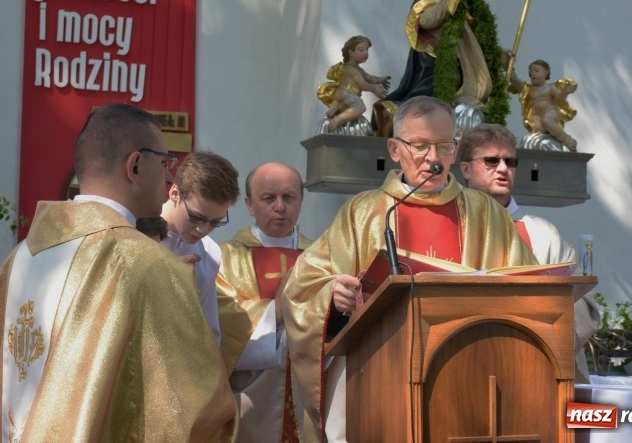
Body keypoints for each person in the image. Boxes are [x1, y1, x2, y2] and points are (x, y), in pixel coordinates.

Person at [0, 104, 237, 442]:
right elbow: (190, 417)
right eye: (164, 163)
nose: (168, 178)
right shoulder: (148, 265)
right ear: (135, 165)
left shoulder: (19, 259)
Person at [282, 96, 537, 442]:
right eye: (419, 145)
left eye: (444, 146)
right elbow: (302, 287)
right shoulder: (365, 212)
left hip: (468, 368)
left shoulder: (487, 214)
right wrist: (333, 295)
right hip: (378, 374)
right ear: (394, 148)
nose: (433, 158)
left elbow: (530, 288)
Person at [458, 123, 600, 383]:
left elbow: (583, 306)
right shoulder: (451, 225)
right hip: (461, 365)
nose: (503, 169)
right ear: (466, 168)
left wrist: (539, 343)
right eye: (491, 161)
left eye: (510, 162)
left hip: (534, 371)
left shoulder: (543, 234)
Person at [374, 0, 510, 135]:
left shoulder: (469, 0)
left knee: (463, 92)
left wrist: (496, 54)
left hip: (463, 61)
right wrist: (451, 0)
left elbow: (475, 37)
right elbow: (426, 20)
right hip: (433, 57)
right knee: (433, 94)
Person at [216, 162, 312, 442]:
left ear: (301, 202)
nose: (280, 207)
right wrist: (276, 310)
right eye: (268, 198)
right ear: (249, 204)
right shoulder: (224, 258)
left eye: (289, 197)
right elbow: (222, 326)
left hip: (308, 392)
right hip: (250, 402)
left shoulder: (320, 257)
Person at [160, 150, 240, 345]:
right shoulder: (136, 233)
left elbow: (210, 334)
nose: (202, 230)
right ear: (175, 193)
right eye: (196, 217)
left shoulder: (210, 253)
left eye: (215, 222)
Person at [316, 35, 390, 134]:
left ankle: (335, 108)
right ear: (351, 52)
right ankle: (337, 120)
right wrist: (375, 89)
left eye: (367, 50)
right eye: (361, 50)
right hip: (346, 92)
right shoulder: (350, 69)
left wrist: (381, 80)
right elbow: (363, 84)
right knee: (360, 107)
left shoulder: (358, 69)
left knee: (348, 107)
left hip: (343, 94)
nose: (366, 53)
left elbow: (370, 78)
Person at [508, 58, 578, 151]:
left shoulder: (550, 88)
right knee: (538, 133)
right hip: (537, 120)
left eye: (536, 71)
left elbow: (560, 98)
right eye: (531, 72)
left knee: (547, 121)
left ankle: (568, 140)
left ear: (546, 72)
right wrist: (508, 65)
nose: (533, 74)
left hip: (551, 113)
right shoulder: (528, 88)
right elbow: (514, 80)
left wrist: (566, 92)